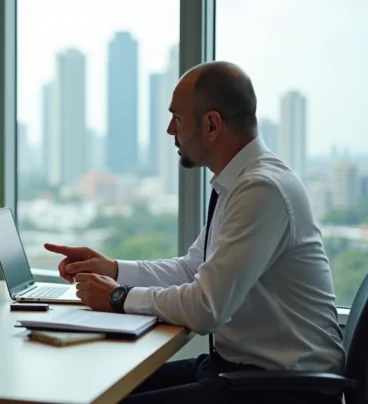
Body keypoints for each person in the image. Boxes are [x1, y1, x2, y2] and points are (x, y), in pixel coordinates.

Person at [45, 61, 345, 403]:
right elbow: (191, 269)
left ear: (212, 124)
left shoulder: (261, 190)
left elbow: (206, 308)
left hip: (283, 388)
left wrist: (118, 296)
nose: (170, 130)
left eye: (178, 118)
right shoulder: (241, 184)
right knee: (96, 386)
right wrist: (112, 269)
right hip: (237, 372)